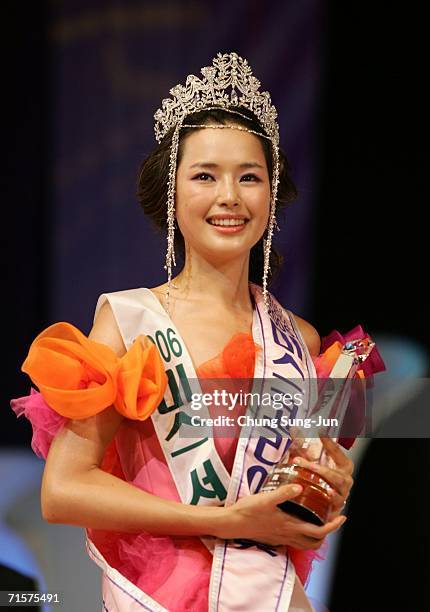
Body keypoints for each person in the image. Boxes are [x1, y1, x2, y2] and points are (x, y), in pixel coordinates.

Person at [11, 52, 362, 611]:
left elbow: (301, 482)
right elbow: (63, 491)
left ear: (271, 197)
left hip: (273, 598)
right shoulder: (128, 321)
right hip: (160, 596)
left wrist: (326, 485)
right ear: (171, 194)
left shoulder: (301, 340)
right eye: (205, 176)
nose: (230, 196)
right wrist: (220, 520)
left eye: (250, 177)